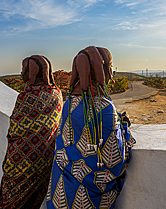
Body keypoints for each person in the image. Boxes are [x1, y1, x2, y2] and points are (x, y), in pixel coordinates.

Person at [46, 46, 135, 209]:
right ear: (103, 69)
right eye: (110, 67)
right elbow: (115, 161)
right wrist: (125, 130)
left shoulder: (68, 104)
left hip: (61, 196)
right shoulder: (105, 108)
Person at [0, 55, 63, 209]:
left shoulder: (26, 97)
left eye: (24, 70)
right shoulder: (57, 93)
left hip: (21, 161)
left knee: (10, 201)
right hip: (45, 159)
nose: (21, 74)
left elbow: (15, 129)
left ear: (31, 73)